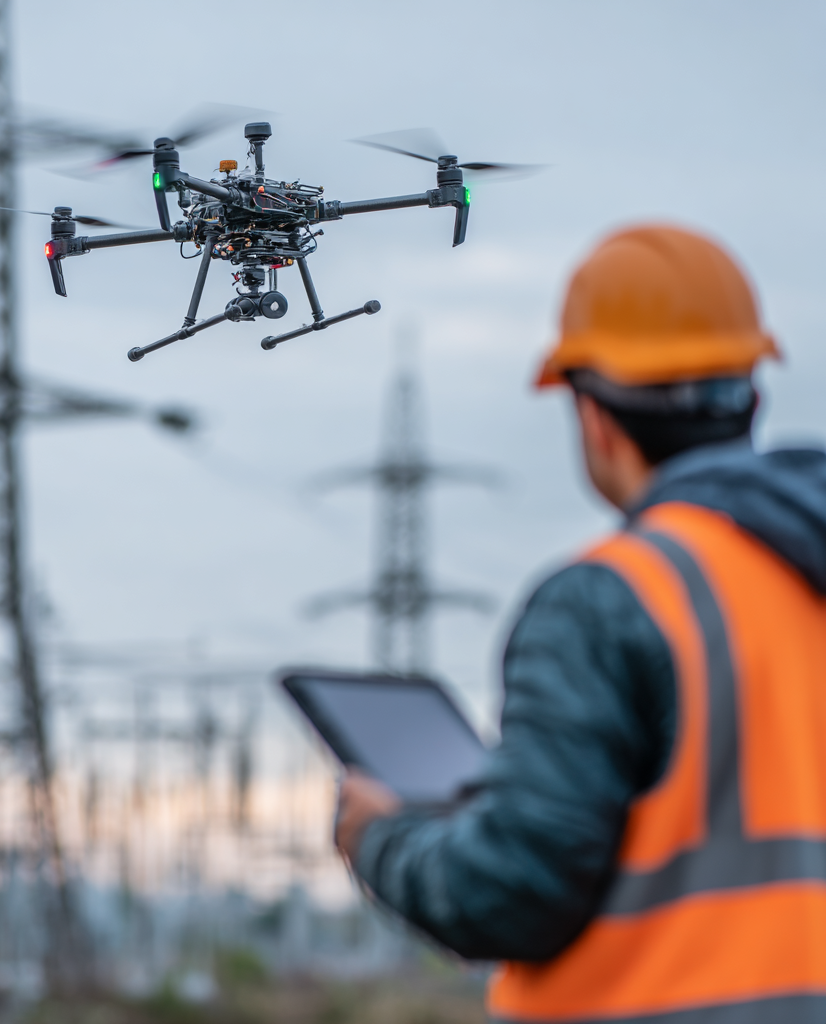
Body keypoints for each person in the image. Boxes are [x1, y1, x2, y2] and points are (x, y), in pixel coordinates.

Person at [334, 224, 826, 1023]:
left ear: (593, 416)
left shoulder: (615, 600)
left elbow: (509, 894)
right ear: (753, 398)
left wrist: (380, 838)